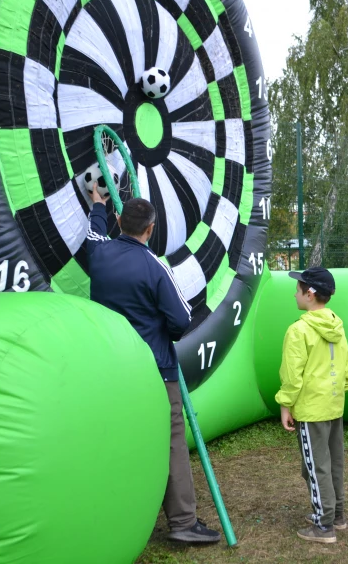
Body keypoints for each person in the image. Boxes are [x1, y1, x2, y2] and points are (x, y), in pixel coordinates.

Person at [84, 183, 221, 544]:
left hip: (112, 369)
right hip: (158, 371)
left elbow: (94, 231)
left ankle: (116, 518)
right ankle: (183, 523)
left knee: (119, 441)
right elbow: (181, 320)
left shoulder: (98, 254)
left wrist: (97, 204)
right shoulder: (154, 267)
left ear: (119, 221)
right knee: (173, 441)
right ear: (151, 229)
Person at [275, 267, 348, 544]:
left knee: (315, 466)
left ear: (309, 294)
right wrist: (336, 392)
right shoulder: (337, 325)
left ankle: (323, 525)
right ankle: (337, 515)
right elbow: (346, 369)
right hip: (333, 406)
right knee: (334, 463)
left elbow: (292, 375)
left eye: (298, 288)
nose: (294, 292)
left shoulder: (298, 330)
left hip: (311, 410)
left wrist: (286, 404)